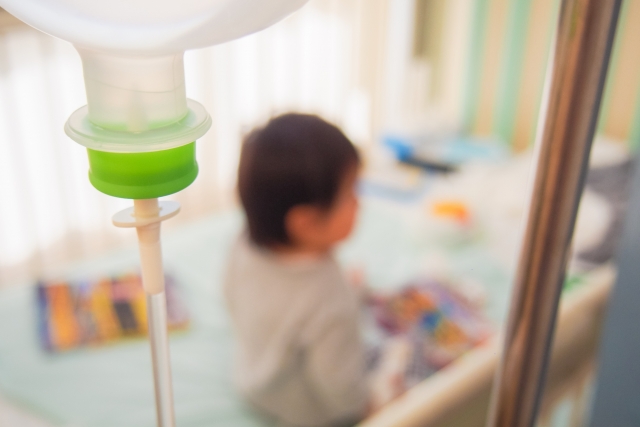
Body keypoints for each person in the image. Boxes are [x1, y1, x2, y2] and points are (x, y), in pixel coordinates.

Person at [224, 113, 367, 427]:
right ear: (306, 223)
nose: (360, 203)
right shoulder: (330, 299)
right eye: (351, 193)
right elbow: (341, 389)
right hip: (307, 414)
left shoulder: (243, 243)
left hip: (252, 380)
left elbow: (231, 297)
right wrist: (369, 406)